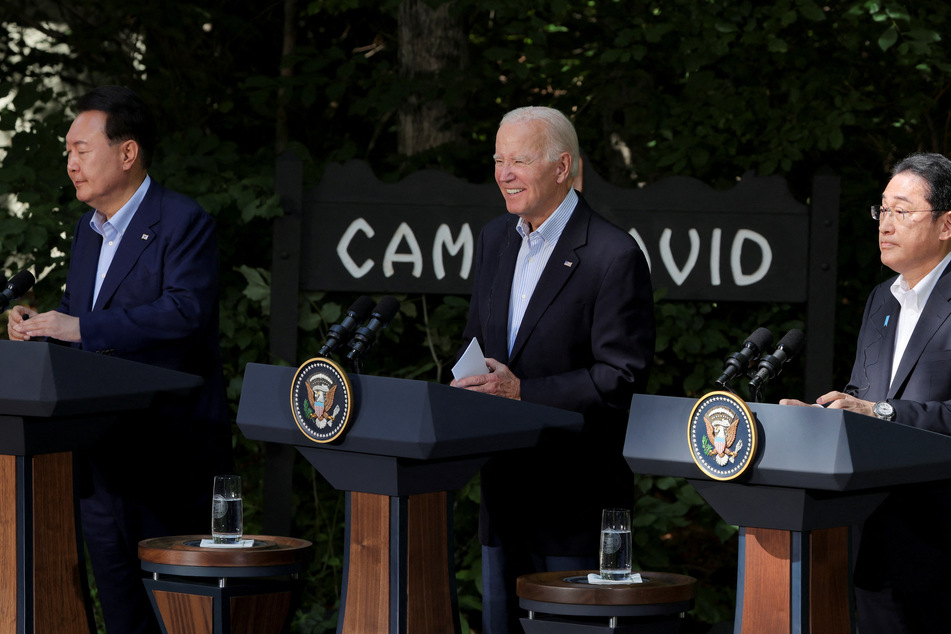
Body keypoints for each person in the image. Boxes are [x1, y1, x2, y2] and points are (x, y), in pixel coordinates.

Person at [7, 85, 232, 634]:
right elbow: (74, 317)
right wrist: (36, 328)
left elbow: (183, 313)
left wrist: (78, 327)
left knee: (181, 615)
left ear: (127, 153)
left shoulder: (182, 221)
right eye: (67, 153)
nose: (70, 164)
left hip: (168, 458)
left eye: (81, 150)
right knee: (122, 614)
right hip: (99, 460)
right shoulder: (87, 231)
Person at [450, 106, 655, 633]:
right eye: (498, 160)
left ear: (562, 167)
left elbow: (623, 378)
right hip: (502, 494)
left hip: (574, 507)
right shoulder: (496, 238)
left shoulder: (613, 255)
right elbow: (477, 339)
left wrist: (525, 392)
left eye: (518, 160)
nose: (503, 174)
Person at [781, 152, 951, 633]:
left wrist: (878, 411)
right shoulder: (882, 299)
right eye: (882, 210)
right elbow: (862, 395)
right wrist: (822, 416)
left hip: (940, 541)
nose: (885, 224)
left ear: (946, 224)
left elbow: (878, 407)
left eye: (902, 210)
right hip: (873, 535)